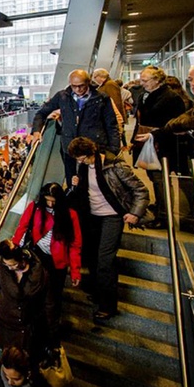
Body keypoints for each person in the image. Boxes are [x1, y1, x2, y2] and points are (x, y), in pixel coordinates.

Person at [68, 137, 149, 320]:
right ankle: (97, 293)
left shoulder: (114, 166)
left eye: (81, 158)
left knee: (105, 260)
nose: (78, 162)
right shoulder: (82, 167)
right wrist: (76, 185)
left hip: (112, 216)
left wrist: (135, 213)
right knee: (92, 257)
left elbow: (141, 190)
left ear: (91, 153)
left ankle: (108, 305)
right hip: (91, 217)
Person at [135, 62, 194, 225]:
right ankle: (175, 215)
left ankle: (182, 217)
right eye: (190, 80)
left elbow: (189, 122)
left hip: (173, 147)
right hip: (160, 142)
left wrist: (167, 129)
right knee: (161, 179)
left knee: (179, 181)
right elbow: (185, 120)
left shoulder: (174, 98)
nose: (193, 84)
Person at [12, 182, 82, 346]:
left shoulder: (69, 215)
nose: (50, 204)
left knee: (53, 298)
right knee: (35, 294)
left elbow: (75, 244)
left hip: (58, 262)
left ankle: (50, 332)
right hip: (37, 257)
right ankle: (34, 329)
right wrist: (14, 249)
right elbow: (22, 228)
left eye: (53, 201)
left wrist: (75, 270)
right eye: (47, 200)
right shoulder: (35, 208)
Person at [29, 69, 120, 182]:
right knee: (72, 182)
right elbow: (41, 113)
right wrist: (36, 131)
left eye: (81, 86)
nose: (77, 89)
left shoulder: (101, 98)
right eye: (74, 86)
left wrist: (113, 151)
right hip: (69, 149)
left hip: (93, 148)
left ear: (88, 82)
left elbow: (111, 125)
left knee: (95, 182)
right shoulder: (62, 96)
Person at [130, 66, 187, 223]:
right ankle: (161, 206)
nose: (142, 83)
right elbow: (141, 120)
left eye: (145, 80)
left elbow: (176, 125)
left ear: (157, 80)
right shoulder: (146, 95)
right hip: (147, 142)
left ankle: (164, 215)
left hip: (163, 145)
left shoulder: (171, 98)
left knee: (161, 179)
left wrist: (154, 134)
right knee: (154, 177)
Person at [0, 240, 47, 356]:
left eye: (14, 265)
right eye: (7, 265)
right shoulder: (1, 265)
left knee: (25, 358)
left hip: (28, 325)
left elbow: (48, 302)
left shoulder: (38, 273)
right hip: (7, 323)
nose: (10, 268)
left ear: (23, 259)